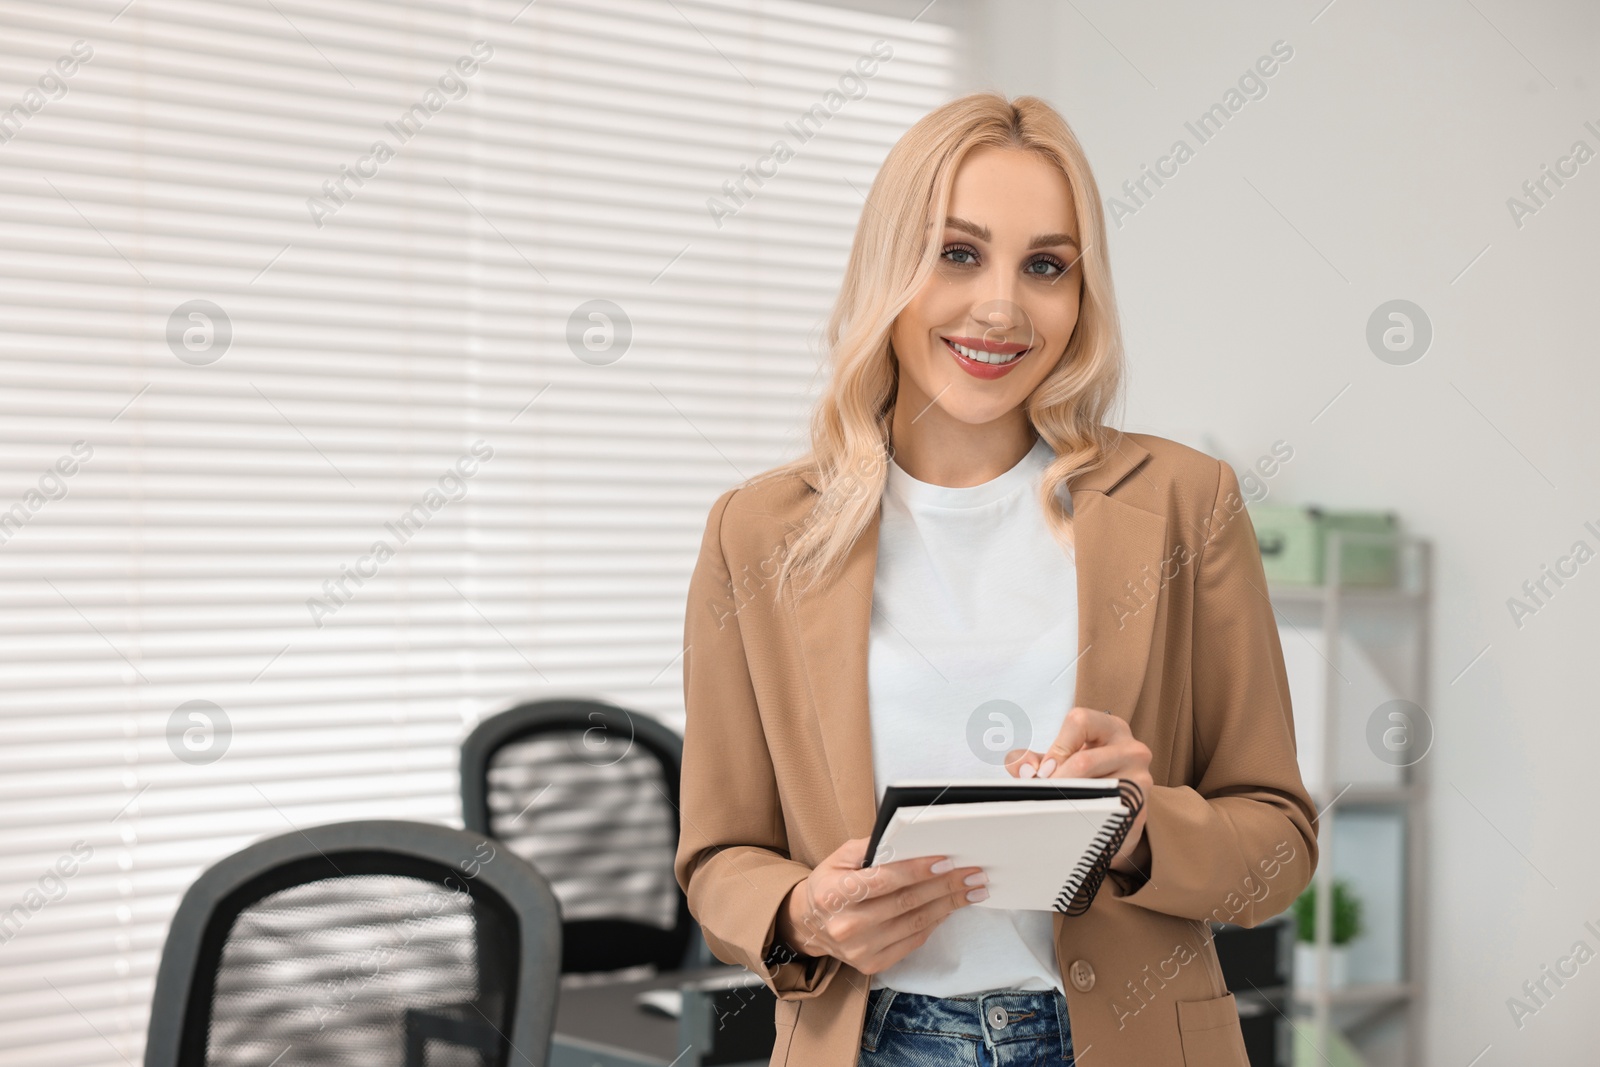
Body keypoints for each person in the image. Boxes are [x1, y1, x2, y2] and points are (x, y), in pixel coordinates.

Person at [672, 91, 1318, 1067]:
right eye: (958, 252)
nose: (1002, 307)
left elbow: (1275, 847)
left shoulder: (1185, 501)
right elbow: (718, 856)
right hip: (870, 1039)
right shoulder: (756, 532)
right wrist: (802, 913)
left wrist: (1140, 827)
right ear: (890, 265)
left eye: (1046, 266)